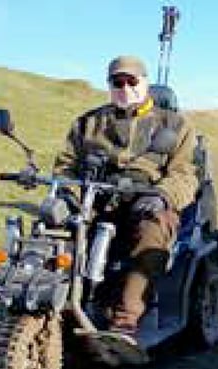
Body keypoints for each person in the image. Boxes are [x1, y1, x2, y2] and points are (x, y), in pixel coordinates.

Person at [53, 55, 198, 337]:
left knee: (152, 232)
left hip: (147, 200)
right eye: (117, 82)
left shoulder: (174, 125)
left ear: (145, 84)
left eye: (132, 81)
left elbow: (185, 173)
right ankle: (55, 303)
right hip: (95, 197)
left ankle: (126, 318)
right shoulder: (88, 123)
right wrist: (68, 194)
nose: (125, 88)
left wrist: (162, 195)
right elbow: (65, 165)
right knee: (54, 227)